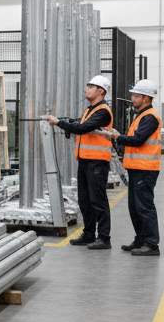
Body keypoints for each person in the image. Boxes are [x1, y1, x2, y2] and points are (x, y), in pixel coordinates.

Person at [43, 75, 113, 249]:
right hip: (85, 160)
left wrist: (59, 122)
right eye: (87, 86)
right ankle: (89, 234)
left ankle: (104, 238)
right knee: (85, 200)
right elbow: (81, 123)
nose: (86, 89)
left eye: (91, 86)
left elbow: (82, 128)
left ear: (101, 91)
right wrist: (67, 121)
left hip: (97, 162)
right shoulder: (90, 109)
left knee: (98, 200)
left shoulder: (103, 111)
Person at [96, 79, 162, 256]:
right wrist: (117, 136)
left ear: (146, 98)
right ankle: (141, 240)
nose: (132, 98)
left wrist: (117, 137)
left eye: (136, 96)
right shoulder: (141, 115)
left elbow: (138, 140)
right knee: (135, 207)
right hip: (137, 168)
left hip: (145, 169)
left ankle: (151, 244)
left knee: (144, 206)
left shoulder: (149, 117)